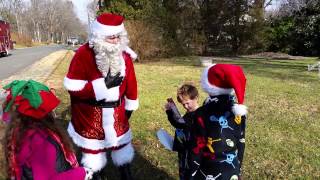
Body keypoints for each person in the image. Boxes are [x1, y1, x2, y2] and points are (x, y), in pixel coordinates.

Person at [63, 13, 139, 180]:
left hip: (117, 114)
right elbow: (73, 88)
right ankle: (95, 174)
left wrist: (130, 106)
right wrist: (101, 86)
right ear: (99, 35)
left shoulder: (124, 55)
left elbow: (131, 84)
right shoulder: (83, 54)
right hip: (90, 117)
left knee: (122, 151)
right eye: (111, 37)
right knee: (93, 157)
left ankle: (125, 174)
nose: (116, 41)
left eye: (118, 36)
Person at [1, 80, 93, 180]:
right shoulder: (40, 141)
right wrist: (82, 173)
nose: (53, 111)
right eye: (50, 109)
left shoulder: (19, 130)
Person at [188, 64, 247, 180]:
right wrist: (238, 167)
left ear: (209, 86)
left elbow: (196, 148)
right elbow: (241, 141)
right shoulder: (239, 110)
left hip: (209, 170)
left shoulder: (201, 113)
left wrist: (191, 173)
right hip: (232, 170)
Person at [164, 83, 200, 180]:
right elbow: (179, 124)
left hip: (193, 153)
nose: (185, 106)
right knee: (183, 173)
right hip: (183, 151)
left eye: (187, 103)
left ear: (196, 98)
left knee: (192, 174)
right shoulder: (188, 114)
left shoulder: (199, 115)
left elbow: (184, 125)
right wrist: (170, 112)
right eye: (183, 104)